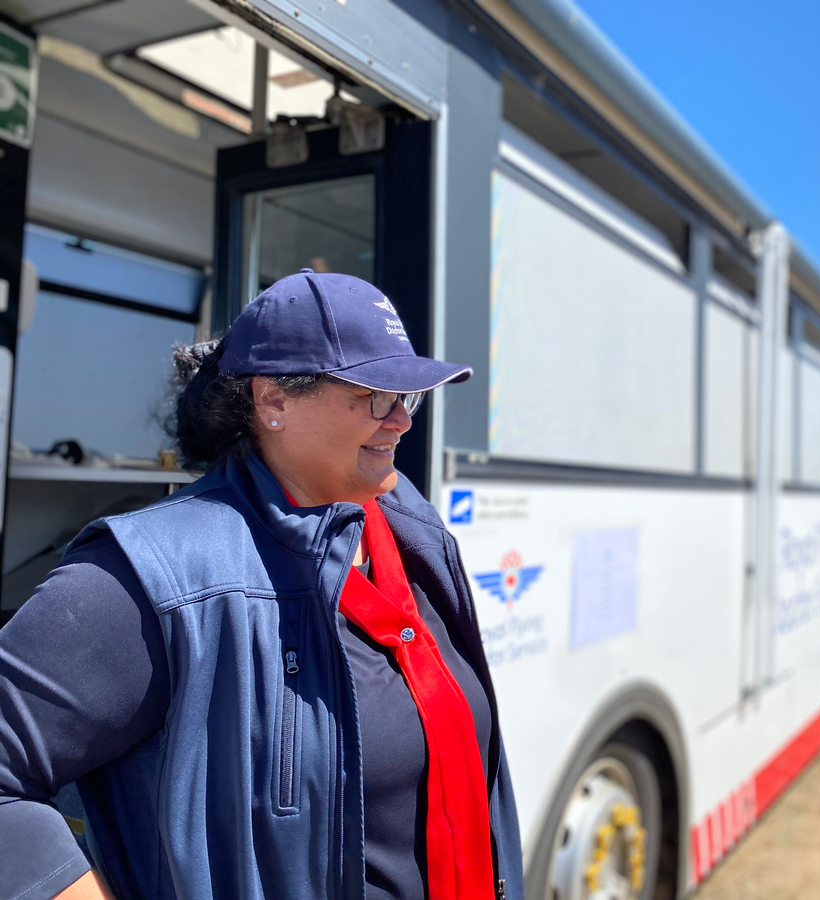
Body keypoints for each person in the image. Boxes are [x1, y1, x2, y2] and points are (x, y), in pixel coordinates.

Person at [0, 270, 523, 900]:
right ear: (272, 400)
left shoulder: (412, 533)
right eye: (376, 396)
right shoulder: (155, 575)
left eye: (408, 398)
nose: (400, 423)